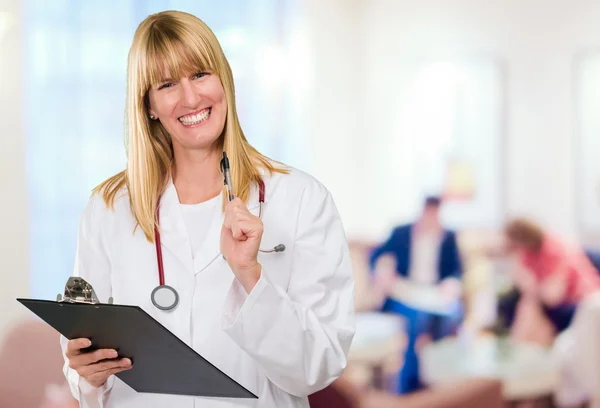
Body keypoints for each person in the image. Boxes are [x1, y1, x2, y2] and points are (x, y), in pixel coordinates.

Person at [60, 10, 355, 408]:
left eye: (200, 74)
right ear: (148, 105)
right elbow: (85, 365)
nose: (191, 98)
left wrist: (250, 277)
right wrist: (87, 376)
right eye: (167, 84)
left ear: (224, 81)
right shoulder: (109, 209)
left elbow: (317, 368)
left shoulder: (301, 199)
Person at [368, 196, 463, 394]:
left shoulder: (448, 237)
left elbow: (457, 271)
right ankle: (408, 386)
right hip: (404, 292)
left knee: (452, 315)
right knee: (416, 321)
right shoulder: (402, 232)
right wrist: (382, 271)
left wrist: (451, 283)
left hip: (435, 293)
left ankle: (435, 382)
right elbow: (376, 256)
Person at [497, 218, 600, 338]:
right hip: (551, 296)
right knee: (524, 305)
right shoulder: (528, 252)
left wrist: (534, 291)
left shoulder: (554, 248)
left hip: (582, 297)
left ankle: (522, 345)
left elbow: (553, 295)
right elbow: (526, 284)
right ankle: (520, 346)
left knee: (531, 308)